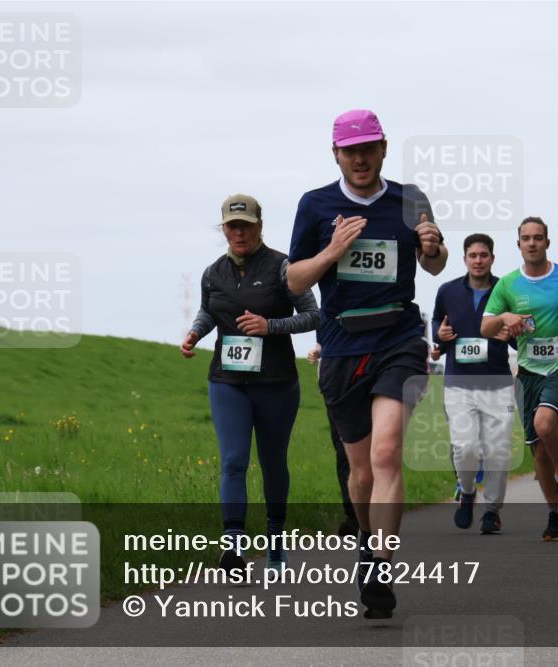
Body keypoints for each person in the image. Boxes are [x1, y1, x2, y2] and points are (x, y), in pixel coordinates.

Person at [286, 109, 447, 618]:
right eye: (350, 151)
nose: (360, 159)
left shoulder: (410, 199)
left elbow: (435, 264)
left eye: (368, 148)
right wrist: (331, 251)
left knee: (387, 452)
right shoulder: (315, 204)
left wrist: (433, 246)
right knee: (360, 473)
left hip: (399, 338)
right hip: (341, 345)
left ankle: (381, 563)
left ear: (384, 148)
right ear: (336, 154)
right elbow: (293, 281)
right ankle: (366, 535)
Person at [180, 194, 319, 573]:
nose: (239, 233)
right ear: (224, 229)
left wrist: (270, 326)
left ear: (259, 226)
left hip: (276, 382)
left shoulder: (283, 267)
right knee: (233, 461)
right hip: (227, 381)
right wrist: (195, 333)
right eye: (232, 226)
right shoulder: (213, 273)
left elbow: (313, 315)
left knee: (273, 463)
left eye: (245, 226)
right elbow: (209, 311)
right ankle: (233, 548)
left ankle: (275, 542)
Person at [481, 217, 558, 542]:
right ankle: (555, 512)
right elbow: (485, 327)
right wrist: (504, 318)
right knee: (538, 452)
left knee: (544, 424)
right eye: (526, 238)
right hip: (528, 374)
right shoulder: (508, 284)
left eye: (538, 237)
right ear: (518, 244)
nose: (532, 243)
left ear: (547, 242)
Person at [432, 233, 515, 534]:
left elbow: (521, 333)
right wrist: (439, 336)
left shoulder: (507, 291)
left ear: (492, 258)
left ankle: (492, 511)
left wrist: (512, 334)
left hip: (498, 384)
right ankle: (467, 492)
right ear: (464, 259)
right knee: (464, 447)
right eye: (473, 255)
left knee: (497, 452)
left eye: (484, 255)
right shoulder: (448, 291)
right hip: (459, 383)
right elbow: (437, 325)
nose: (478, 260)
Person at [308, 343, 359, 537]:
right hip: (336, 383)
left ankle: (375, 509)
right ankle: (353, 516)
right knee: (344, 452)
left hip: (368, 376)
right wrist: (320, 347)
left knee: (373, 451)